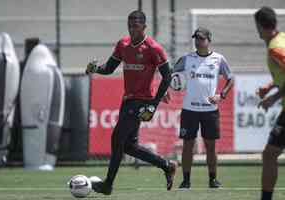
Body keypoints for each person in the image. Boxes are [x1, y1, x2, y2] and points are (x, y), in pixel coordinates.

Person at [85, 10, 178, 195]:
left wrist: (153, 104)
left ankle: (108, 184)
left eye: (136, 26)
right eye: (130, 25)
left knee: (117, 138)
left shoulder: (153, 48)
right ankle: (166, 165)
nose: (132, 29)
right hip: (127, 100)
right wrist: (96, 68)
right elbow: (110, 68)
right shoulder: (123, 44)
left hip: (142, 102)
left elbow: (168, 76)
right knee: (129, 146)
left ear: (144, 26)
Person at [173, 27, 234, 189]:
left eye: (201, 38)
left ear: (208, 40)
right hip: (189, 110)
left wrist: (221, 95)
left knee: (211, 147)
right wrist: (170, 86)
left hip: (210, 110)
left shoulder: (218, 59)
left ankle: (213, 179)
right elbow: (171, 73)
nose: (198, 41)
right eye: (196, 38)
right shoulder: (187, 58)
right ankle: (186, 181)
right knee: (187, 146)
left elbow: (230, 79)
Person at [254, 7, 285, 200]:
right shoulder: (281, 39)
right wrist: (270, 87)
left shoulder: (275, 47)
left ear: (259, 26)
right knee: (271, 153)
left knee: (270, 153)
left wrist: (273, 98)